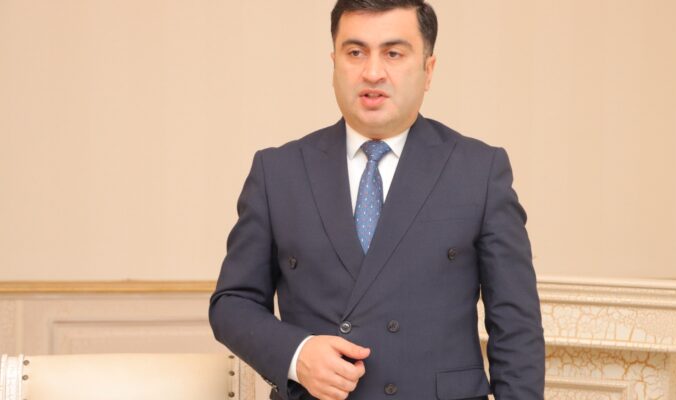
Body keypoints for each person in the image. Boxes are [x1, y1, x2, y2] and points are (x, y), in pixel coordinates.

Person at [209, 1, 545, 399]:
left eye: (393, 53)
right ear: (334, 63)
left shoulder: (479, 171)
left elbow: (516, 328)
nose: (372, 72)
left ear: (428, 70)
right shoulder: (278, 172)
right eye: (355, 52)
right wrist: (297, 354)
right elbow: (232, 303)